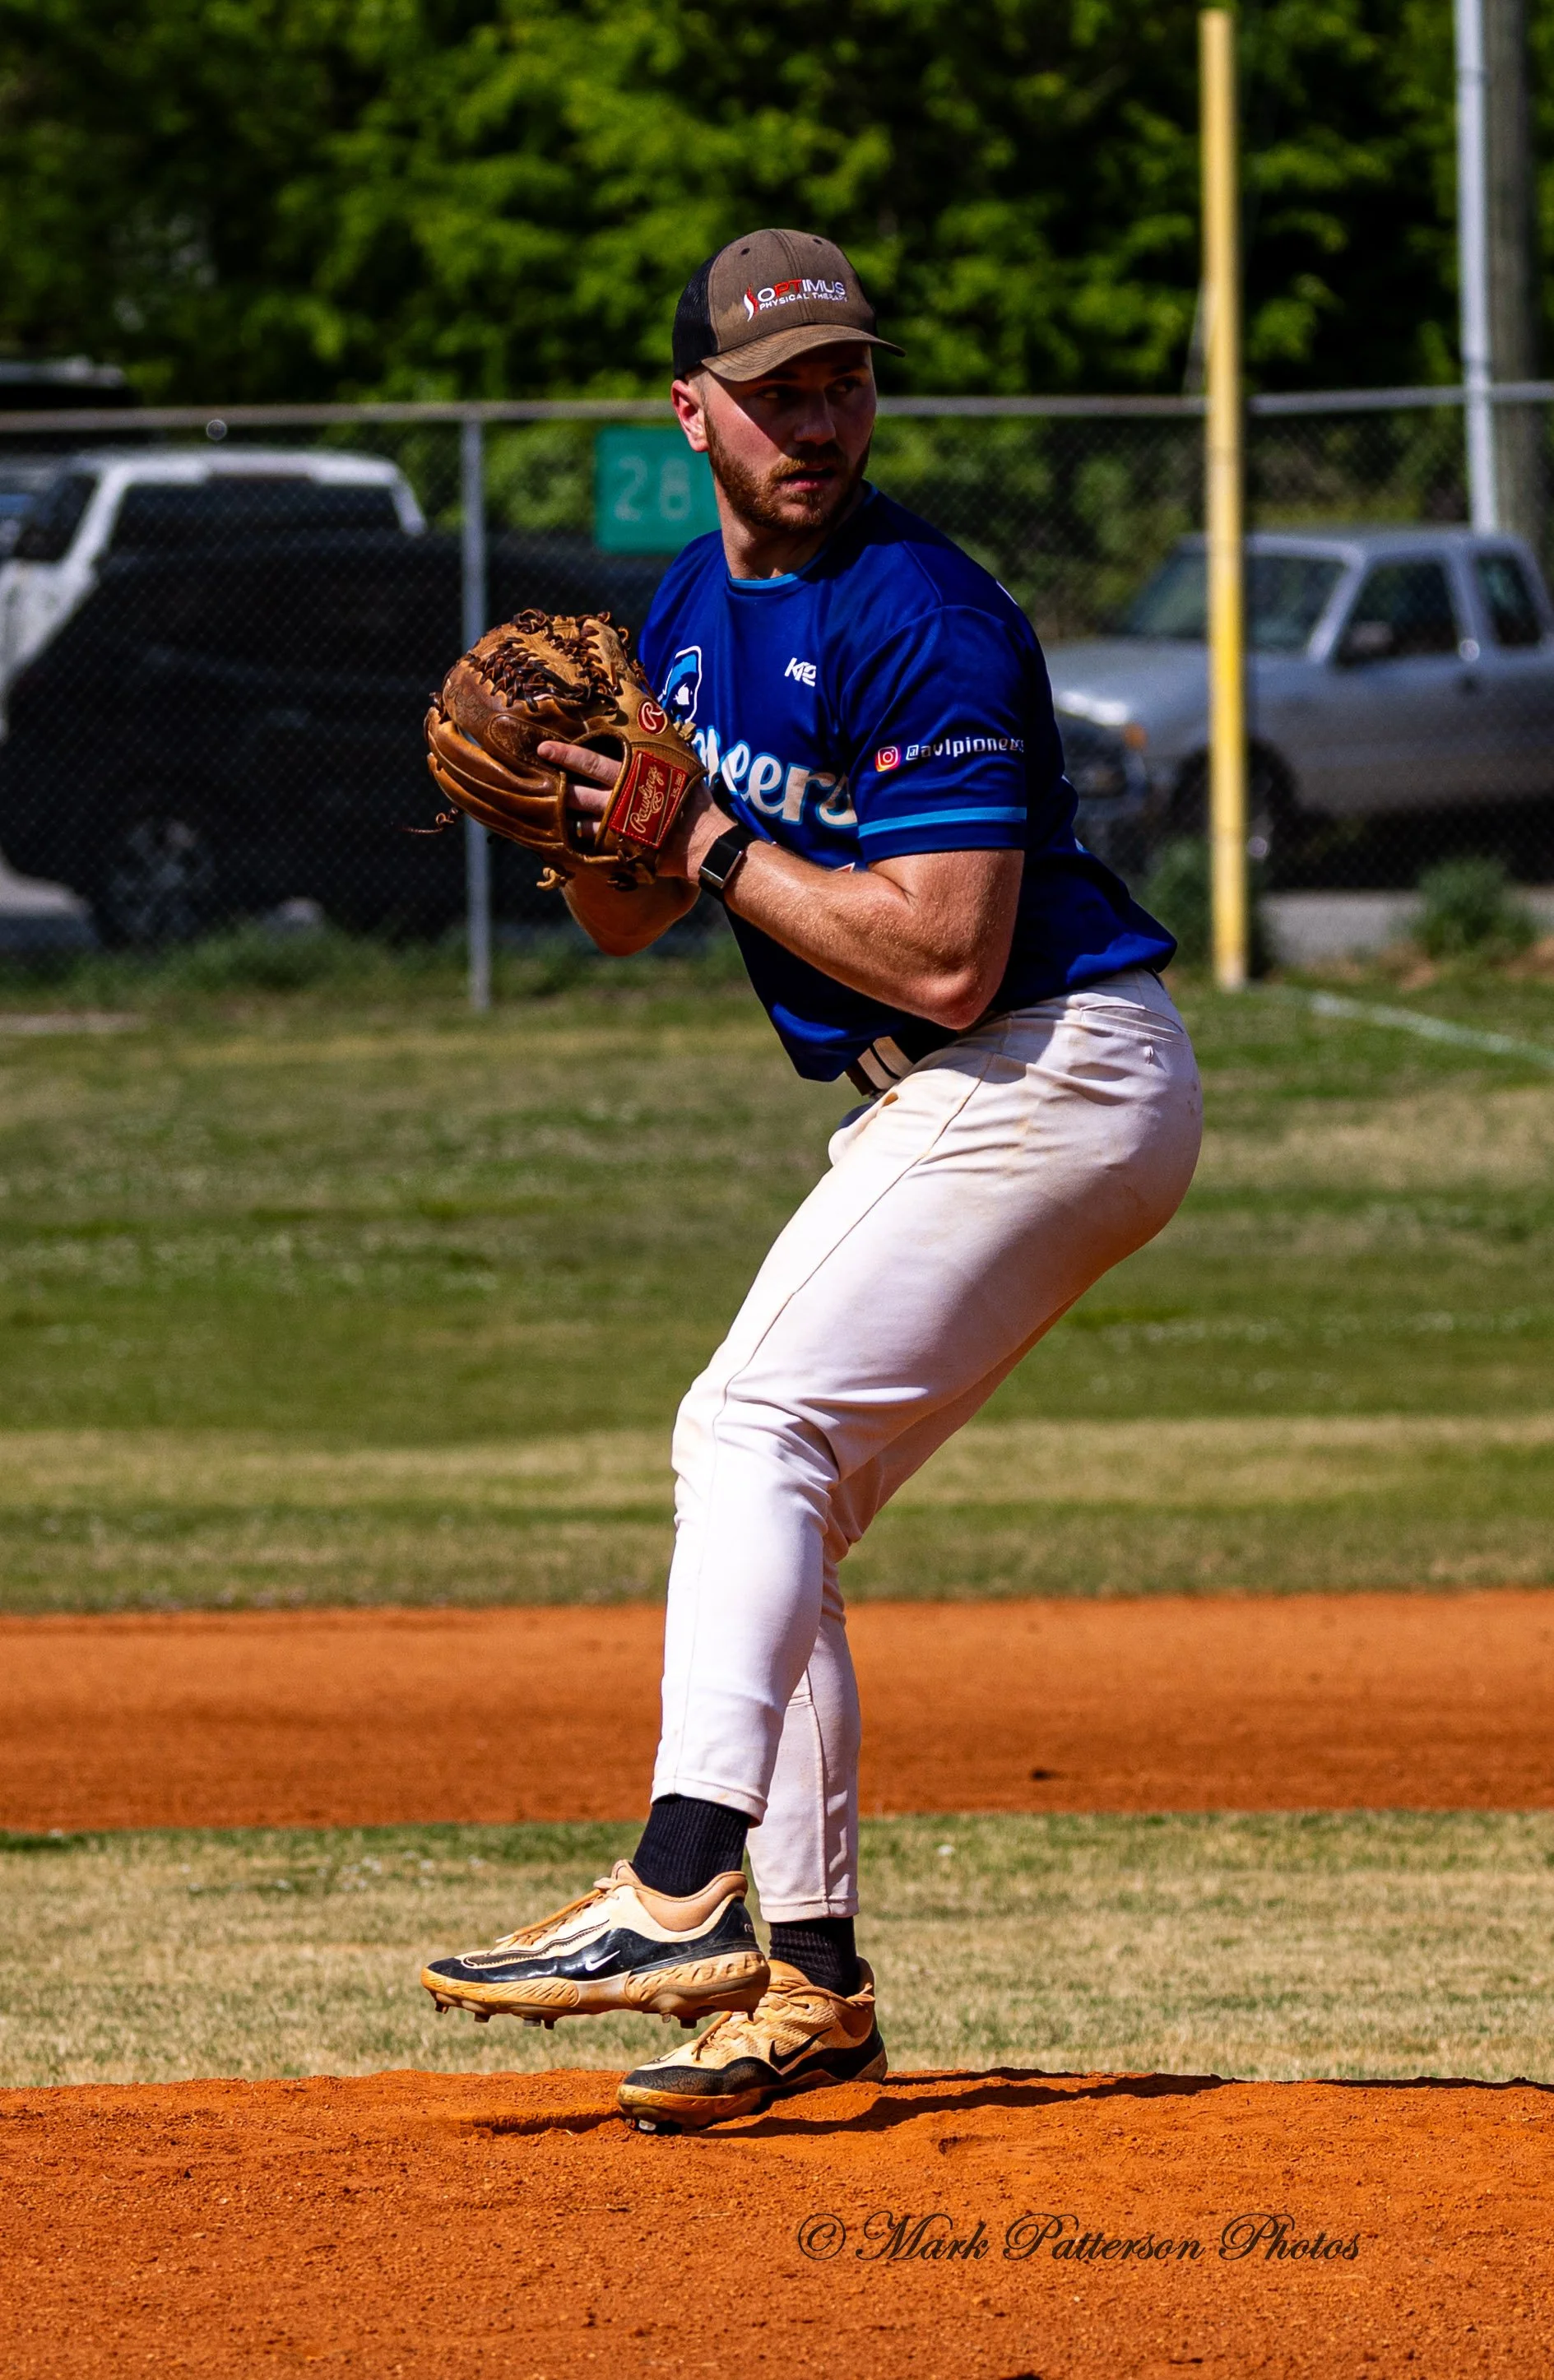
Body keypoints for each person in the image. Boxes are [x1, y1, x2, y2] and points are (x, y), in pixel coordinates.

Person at [423, 228, 1202, 2132]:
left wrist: (688, 834)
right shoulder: (681, 611)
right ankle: (809, 1992)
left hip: (1041, 1061)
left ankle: (680, 1877)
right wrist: (592, 829)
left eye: (843, 379)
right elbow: (627, 918)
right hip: (948, 1088)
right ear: (692, 409)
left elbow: (943, 954)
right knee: (783, 1505)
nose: (818, 418)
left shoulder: (921, 609)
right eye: (776, 391)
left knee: (743, 1426)